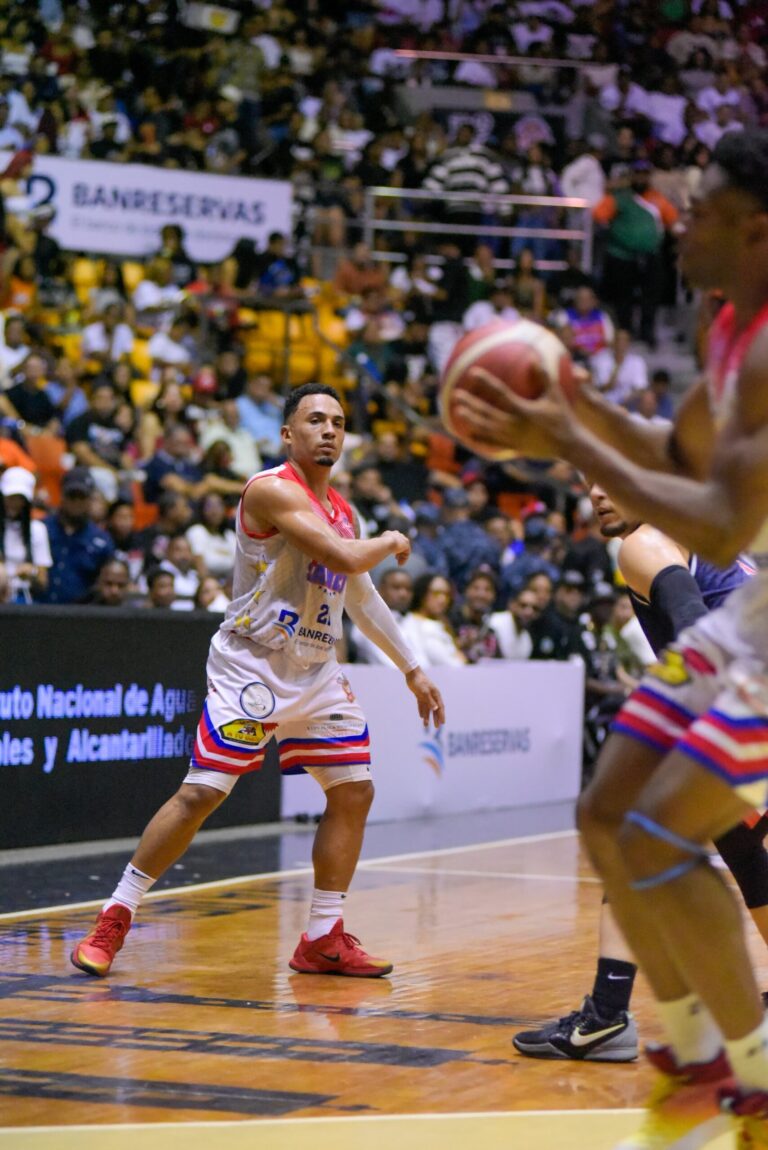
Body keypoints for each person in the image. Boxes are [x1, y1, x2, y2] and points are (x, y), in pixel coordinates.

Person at [453, 129, 768, 1146]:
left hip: (748, 613)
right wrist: (575, 406)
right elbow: (674, 449)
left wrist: (569, 436)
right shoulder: (728, 331)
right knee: (605, 814)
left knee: (665, 831)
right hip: (747, 618)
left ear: (757, 231)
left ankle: (752, 1068)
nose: (674, 226)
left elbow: (716, 522)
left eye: (702, 211)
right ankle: (682, 1051)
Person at [71, 383, 444, 982]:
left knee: (353, 790)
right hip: (252, 668)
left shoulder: (343, 510)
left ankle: (323, 936)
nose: (329, 430)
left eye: (338, 422)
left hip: (316, 671)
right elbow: (350, 560)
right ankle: (116, 913)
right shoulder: (269, 490)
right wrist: (393, 540)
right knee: (201, 795)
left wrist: (413, 668)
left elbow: (359, 593)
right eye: (315, 420)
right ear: (287, 435)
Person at [515, 479, 765, 1064]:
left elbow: (697, 630)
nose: (598, 494)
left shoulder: (645, 544)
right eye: (589, 484)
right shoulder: (709, 539)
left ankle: (605, 1017)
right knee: (746, 851)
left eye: (614, 480)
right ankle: (607, 1017)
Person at [0, 466, 51, 602]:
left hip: (21, 597)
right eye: (10, 497)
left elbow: (42, 581)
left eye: (20, 499)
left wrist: (31, 573)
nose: (14, 503)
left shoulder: (37, 530)